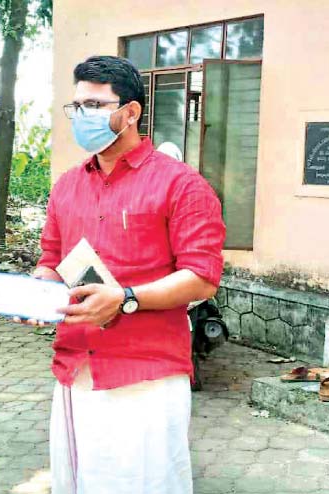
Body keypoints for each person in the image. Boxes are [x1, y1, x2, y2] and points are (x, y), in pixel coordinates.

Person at [28, 55, 225, 494]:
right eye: (77, 106)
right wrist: (39, 290)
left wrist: (126, 298)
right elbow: (51, 258)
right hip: (75, 368)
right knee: (76, 483)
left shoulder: (182, 185)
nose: (83, 116)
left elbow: (201, 277)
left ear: (131, 112)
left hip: (146, 375)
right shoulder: (67, 186)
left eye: (95, 105)